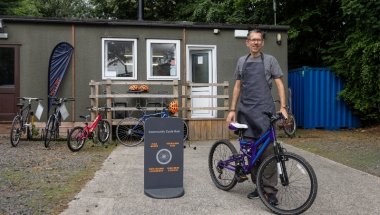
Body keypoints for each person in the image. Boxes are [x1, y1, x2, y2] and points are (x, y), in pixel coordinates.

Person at [226, 29, 288, 205]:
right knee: (251, 152)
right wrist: (232, 109)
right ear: (247, 42)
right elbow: (237, 87)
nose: (255, 42)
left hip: (265, 112)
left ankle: (269, 191)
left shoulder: (270, 60)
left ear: (262, 43)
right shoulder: (241, 62)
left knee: (268, 151)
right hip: (246, 112)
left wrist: (282, 107)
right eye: (252, 40)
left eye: (258, 40)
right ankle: (258, 186)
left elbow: (279, 84)